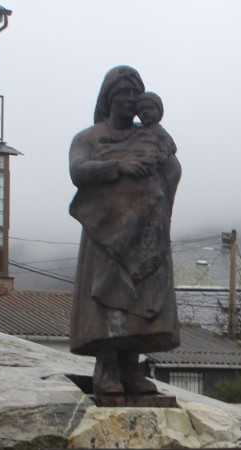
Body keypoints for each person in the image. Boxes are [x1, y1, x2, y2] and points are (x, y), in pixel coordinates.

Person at [67, 66, 182, 396]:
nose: (130, 101)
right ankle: (107, 366)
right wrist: (118, 166)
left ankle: (131, 366)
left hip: (144, 235)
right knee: (107, 303)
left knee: (142, 302)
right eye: (123, 94)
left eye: (135, 94)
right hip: (106, 236)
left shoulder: (148, 136)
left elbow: (172, 168)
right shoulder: (88, 138)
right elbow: (78, 171)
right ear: (108, 97)